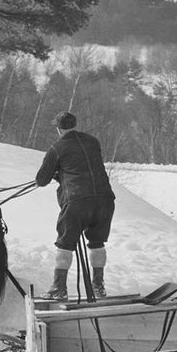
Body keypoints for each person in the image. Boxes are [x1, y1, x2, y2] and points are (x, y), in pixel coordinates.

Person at [34, 111, 116, 300]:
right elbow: (83, 165)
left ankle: (59, 288)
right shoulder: (93, 142)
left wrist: (57, 174)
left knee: (65, 245)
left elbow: (41, 180)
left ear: (58, 129)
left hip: (77, 201)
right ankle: (98, 287)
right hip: (104, 199)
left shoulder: (57, 148)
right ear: (75, 125)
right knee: (97, 243)